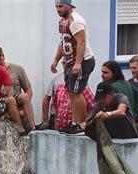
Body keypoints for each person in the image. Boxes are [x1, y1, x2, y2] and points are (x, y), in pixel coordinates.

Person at [51, 0, 96, 134]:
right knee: (71, 93)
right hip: (69, 62)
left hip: (83, 61)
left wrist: (78, 63)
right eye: (56, 7)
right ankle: (74, 123)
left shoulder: (76, 21)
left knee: (77, 92)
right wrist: (56, 60)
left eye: (61, 6)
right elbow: (63, 42)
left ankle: (81, 124)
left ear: (69, 6)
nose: (58, 9)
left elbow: (81, 42)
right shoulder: (62, 21)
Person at [0, 46, 36, 131]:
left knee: (24, 97)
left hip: (20, 108)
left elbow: (28, 91)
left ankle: (33, 127)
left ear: (3, 56)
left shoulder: (17, 69)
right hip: (5, 108)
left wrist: (24, 111)